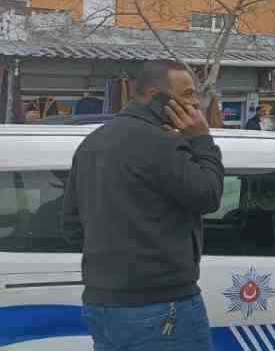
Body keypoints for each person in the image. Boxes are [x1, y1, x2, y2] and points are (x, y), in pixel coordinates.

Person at [62, 60, 223, 351]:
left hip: (101, 303)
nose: (196, 104)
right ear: (153, 95)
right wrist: (201, 140)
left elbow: (72, 225)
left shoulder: (92, 143)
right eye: (187, 94)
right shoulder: (160, 144)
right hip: (161, 305)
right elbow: (208, 195)